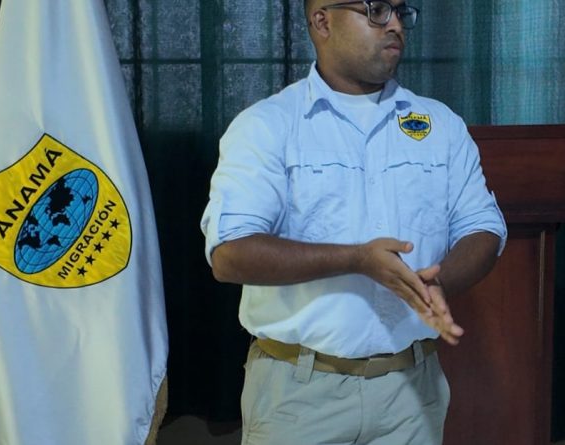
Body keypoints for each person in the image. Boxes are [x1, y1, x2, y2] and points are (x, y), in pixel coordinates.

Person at [200, 0, 506, 443]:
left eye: (400, 11)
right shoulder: (267, 126)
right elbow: (230, 254)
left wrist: (438, 282)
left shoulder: (441, 125)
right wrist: (357, 260)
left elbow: (483, 227)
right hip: (299, 392)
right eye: (376, 10)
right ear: (322, 21)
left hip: (411, 390)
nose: (395, 24)